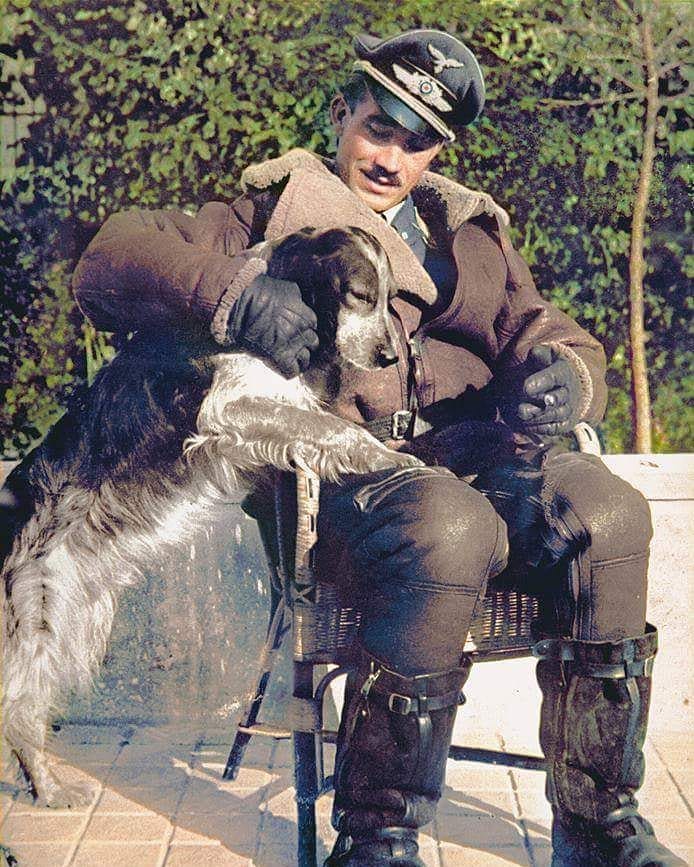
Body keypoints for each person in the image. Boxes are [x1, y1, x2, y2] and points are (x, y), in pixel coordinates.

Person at [72, 29, 684, 867]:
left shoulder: (471, 231)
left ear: (439, 151)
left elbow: (549, 330)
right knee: (451, 524)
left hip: (486, 460)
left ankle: (599, 825)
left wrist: (566, 377)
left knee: (611, 511)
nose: (392, 157)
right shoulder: (272, 213)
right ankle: (378, 836)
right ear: (341, 115)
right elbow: (108, 259)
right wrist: (233, 296)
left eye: (418, 141)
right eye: (379, 126)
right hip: (355, 485)